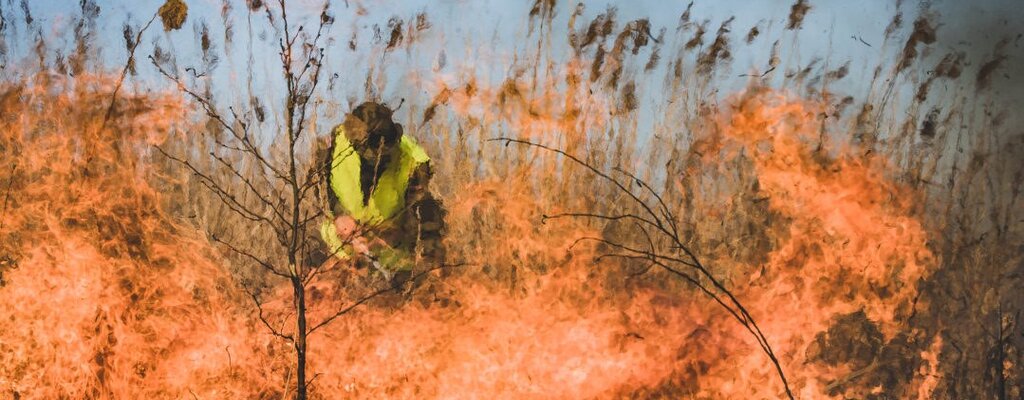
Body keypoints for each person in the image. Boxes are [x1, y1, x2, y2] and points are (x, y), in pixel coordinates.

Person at [319, 101, 445, 287]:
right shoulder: (335, 144)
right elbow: (321, 189)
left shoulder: (413, 162)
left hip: (394, 268)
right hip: (340, 258)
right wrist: (340, 216)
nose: (378, 157)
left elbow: (427, 220)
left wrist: (384, 238)